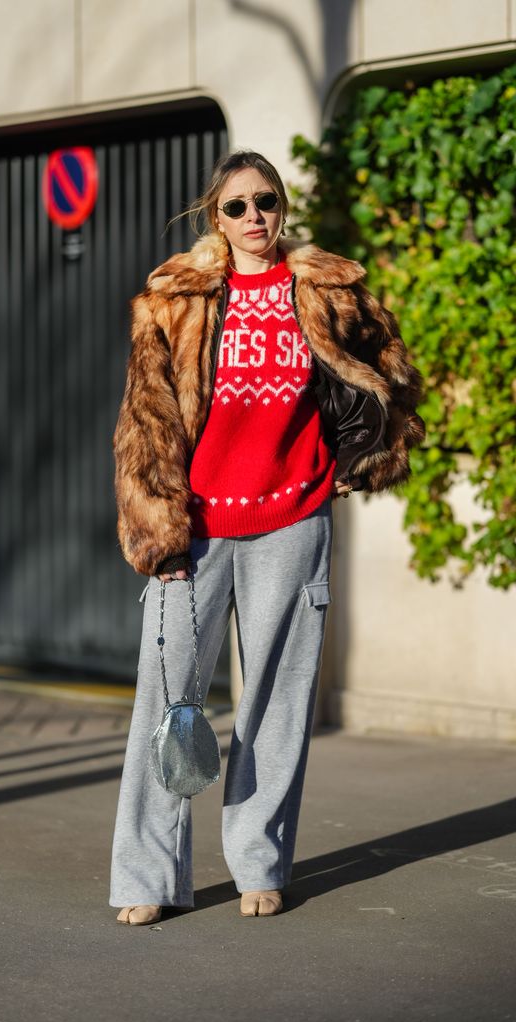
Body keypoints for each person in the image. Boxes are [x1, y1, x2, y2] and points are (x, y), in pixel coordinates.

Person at [109, 150, 424, 925]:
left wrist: (369, 459)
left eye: (268, 202)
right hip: (200, 530)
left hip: (293, 522)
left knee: (278, 706)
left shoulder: (326, 290)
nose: (256, 218)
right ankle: (148, 878)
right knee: (169, 701)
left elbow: (393, 373)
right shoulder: (175, 301)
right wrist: (160, 538)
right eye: (239, 206)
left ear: (283, 210)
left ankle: (260, 861)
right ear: (215, 217)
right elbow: (145, 425)